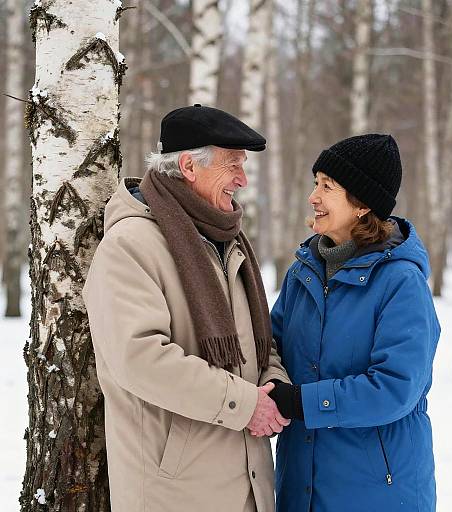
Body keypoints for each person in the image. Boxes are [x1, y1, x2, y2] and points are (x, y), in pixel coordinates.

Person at [83, 104, 291, 512]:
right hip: (174, 492)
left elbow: (257, 343)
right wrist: (246, 405)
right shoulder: (132, 246)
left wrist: (273, 381)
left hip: (246, 483)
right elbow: (140, 358)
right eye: (232, 165)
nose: (243, 180)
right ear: (189, 167)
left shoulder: (227, 242)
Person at [267, 134, 441, 512]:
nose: (313, 196)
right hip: (301, 486)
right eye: (316, 183)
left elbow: (394, 388)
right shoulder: (303, 273)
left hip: (376, 492)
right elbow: (270, 345)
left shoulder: (400, 282)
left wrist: (301, 402)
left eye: (327, 186)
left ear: (362, 205)